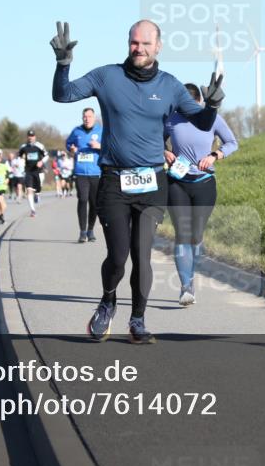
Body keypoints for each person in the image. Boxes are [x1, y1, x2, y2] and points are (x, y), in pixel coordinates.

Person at [52, 19, 224, 344]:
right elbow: (63, 94)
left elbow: (202, 122)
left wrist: (213, 105)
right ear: (128, 43)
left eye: (146, 43)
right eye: (134, 42)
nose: (139, 48)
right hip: (114, 181)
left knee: (142, 254)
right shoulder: (107, 76)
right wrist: (63, 64)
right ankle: (107, 301)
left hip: (152, 183)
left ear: (158, 46)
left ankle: (138, 320)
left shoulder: (170, 85)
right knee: (118, 257)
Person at [164, 84, 238, 305]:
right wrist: (164, 151)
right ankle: (186, 287)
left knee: (195, 236)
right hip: (177, 182)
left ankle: (191, 272)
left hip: (204, 183)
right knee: (182, 234)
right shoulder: (171, 119)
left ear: (198, 102)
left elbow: (232, 143)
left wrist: (214, 155)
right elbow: (154, 139)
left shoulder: (212, 118)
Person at [66, 107, 103, 243]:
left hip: (96, 172)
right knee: (82, 199)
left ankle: (90, 230)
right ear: (82, 118)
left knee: (94, 203)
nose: (87, 119)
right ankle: (82, 232)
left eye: (89, 116)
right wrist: (71, 149)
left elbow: (110, 146)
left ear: (94, 117)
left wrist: (99, 146)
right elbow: (68, 144)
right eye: (85, 117)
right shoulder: (76, 131)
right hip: (80, 172)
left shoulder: (101, 131)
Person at [18, 130, 48, 218]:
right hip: (28, 171)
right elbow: (20, 157)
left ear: (35, 137)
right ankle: (33, 210)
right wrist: (21, 162)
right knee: (29, 190)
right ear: (27, 137)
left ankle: (37, 194)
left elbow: (46, 156)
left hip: (38, 171)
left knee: (38, 188)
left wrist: (41, 162)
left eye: (32, 136)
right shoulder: (23, 147)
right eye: (29, 136)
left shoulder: (39, 146)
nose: (30, 137)